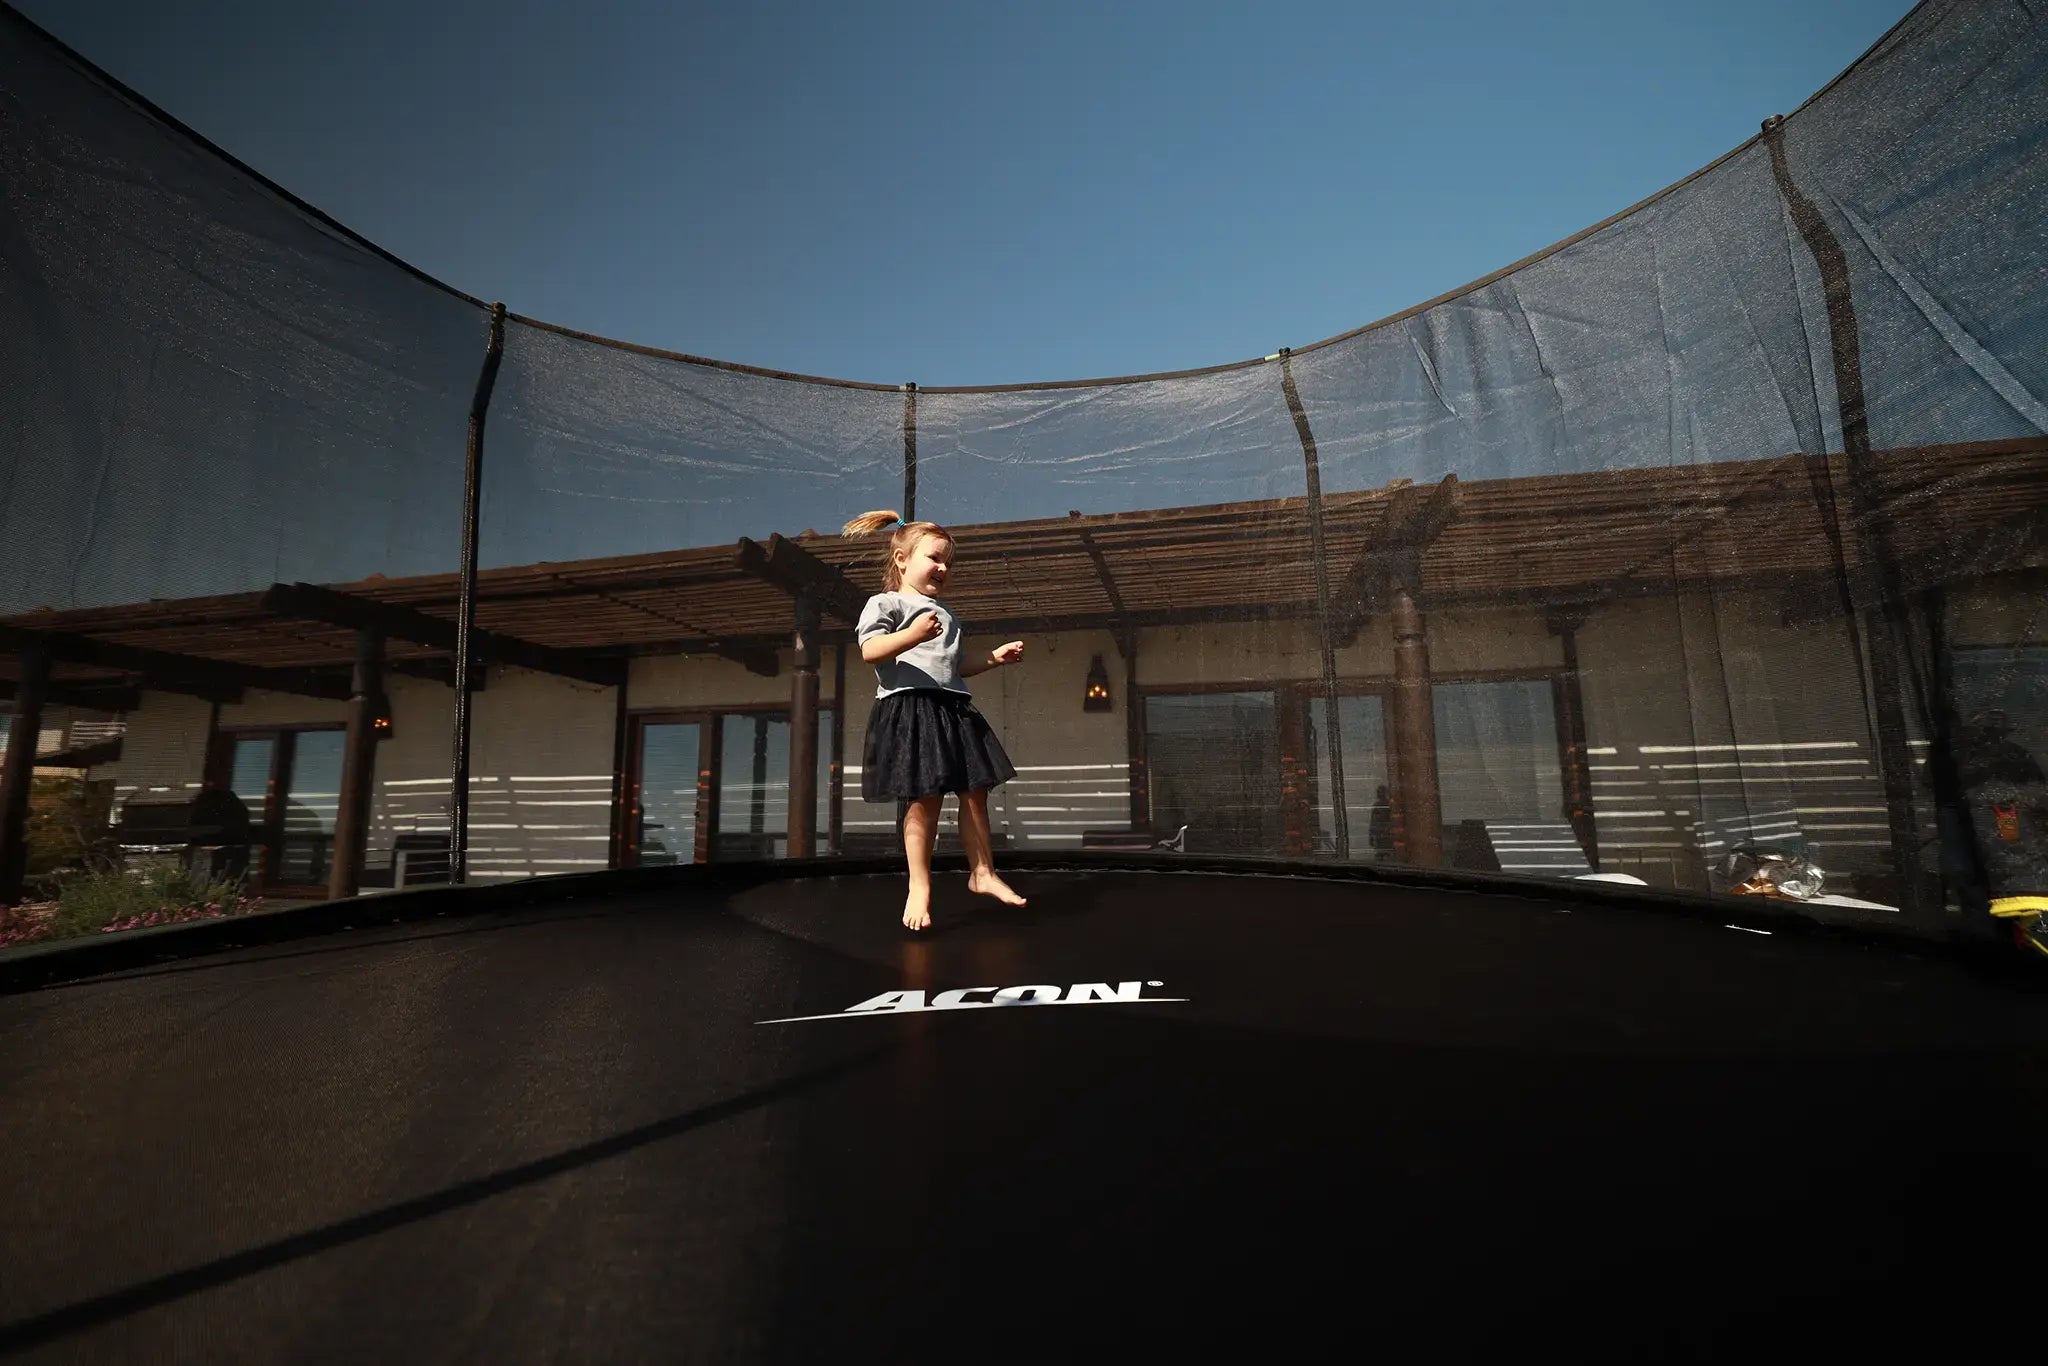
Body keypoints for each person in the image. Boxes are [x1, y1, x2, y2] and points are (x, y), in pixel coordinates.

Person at [844, 509, 1026, 930]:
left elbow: (955, 665)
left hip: (953, 708)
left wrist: (994, 658)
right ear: (902, 559)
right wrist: (912, 635)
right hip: (910, 707)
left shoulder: (945, 615)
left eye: (948, 562)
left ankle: (983, 872)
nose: (943, 568)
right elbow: (871, 651)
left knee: (975, 791)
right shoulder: (886, 603)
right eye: (935, 558)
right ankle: (919, 885)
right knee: (923, 800)